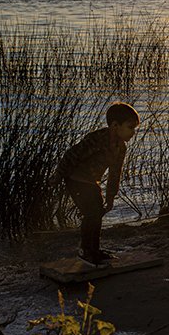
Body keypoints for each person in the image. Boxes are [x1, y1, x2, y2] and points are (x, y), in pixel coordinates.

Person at [50, 102, 139, 266]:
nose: (133, 132)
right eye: (130, 127)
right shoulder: (97, 139)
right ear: (115, 126)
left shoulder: (121, 148)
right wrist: (57, 179)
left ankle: (94, 250)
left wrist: (110, 196)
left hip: (91, 181)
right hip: (75, 179)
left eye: (134, 128)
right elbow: (70, 156)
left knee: (98, 212)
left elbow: (114, 173)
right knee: (92, 213)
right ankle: (85, 251)